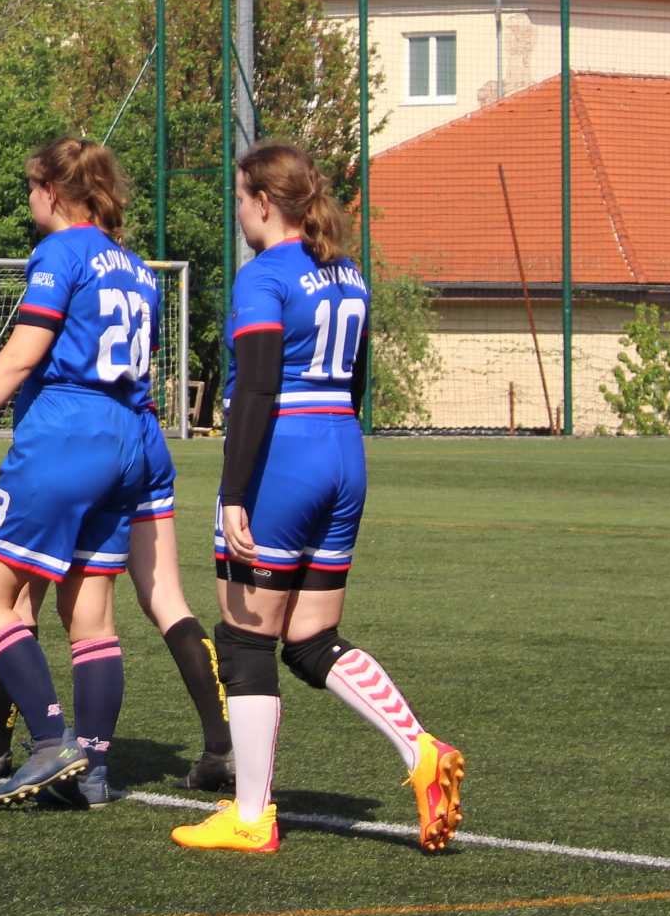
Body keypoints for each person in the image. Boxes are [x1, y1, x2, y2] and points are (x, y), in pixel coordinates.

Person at [173, 143, 464, 854]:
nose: (239, 211)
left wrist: (235, 491)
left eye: (240, 198)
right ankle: (420, 748)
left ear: (264, 203)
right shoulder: (348, 272)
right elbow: (357, 379)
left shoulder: (264, 275)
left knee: (245, 639)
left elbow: (259, 386)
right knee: (309, 640)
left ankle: (251, 816)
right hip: (341, 450)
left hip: (284, 456)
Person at [0, 166, 232, 790]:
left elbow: (22, 355)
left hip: (69, 432)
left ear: (54, 192)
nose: (28, 198)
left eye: (31, 187)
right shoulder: (137, 267)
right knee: (91, 615)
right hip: (131, 434)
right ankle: (91, 769)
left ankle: (49, 743)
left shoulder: (61, 250)